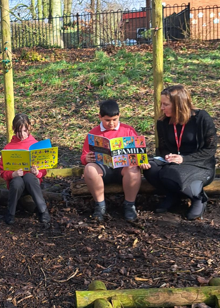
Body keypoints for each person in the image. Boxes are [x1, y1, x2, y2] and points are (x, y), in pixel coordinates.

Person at [143, 85, 217, 220]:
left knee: (171, 174)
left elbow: (210, 149)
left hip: (198, 164)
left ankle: (198, 198)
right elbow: (163, 147)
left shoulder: (201, 118)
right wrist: (167, 156)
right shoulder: (163, 122)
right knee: (150, 168)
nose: (161, 108)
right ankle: (173, 195)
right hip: (173, 163)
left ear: (178, 104)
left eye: (165, 104)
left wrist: (184, 159)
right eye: (161, 104)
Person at [81, 100, 149, 222]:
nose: (111, 123)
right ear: (100, 117)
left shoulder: (128, 130)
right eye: (107, 120)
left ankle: (129, 205)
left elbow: (139, 152)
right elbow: (84, 155)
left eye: (115, 120)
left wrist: (141, 160)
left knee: (134, 168)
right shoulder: (93, 133)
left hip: (123, 169)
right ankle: (100, 206)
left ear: (119, 116)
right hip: (103, 169)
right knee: (89, 169)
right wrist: (86, 158)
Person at [0, 113, 51, 226]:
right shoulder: (8, 148)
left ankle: (43, 210)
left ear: (29, 129)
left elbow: (44, 169)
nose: (22, 134)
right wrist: (13, 174)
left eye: (24, 131)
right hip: (16, 185)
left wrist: (38, 172)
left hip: (32, 182)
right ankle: (10, 212)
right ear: (14, 129)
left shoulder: (36, 145)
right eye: (19, 131)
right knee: (17, 181)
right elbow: (3, 172)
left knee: (28, 177)